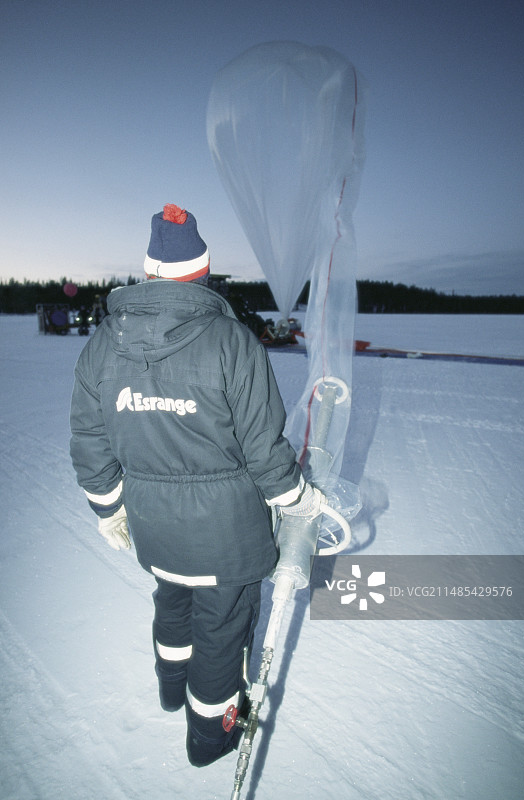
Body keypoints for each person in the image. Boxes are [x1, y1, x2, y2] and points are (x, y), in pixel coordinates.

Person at [70, 204, 323, 767]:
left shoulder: (102, 345)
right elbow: (264, 447)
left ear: (149, 272)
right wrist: (297, 500)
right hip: (224, 537)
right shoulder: (233, 343)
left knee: (171, 598)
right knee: (221, 627)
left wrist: (109, 509)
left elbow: (89, 442)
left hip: (154, 529)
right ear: (202, 273)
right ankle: (211, 737)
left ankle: (169, 688)